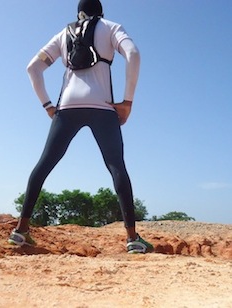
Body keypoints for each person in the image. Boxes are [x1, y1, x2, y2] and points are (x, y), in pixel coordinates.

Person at [8, 0, 154, 254]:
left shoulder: (64, 33)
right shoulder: (111, 27)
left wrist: (47, 106)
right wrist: (127, 101)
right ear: (101, 13)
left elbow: (33, 68)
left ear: (79, 13)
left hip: (67, 108)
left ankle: (21, 231)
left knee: (45, 164)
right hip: (103, 107)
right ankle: (132, 239)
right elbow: (133, 54)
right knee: (116, 166)